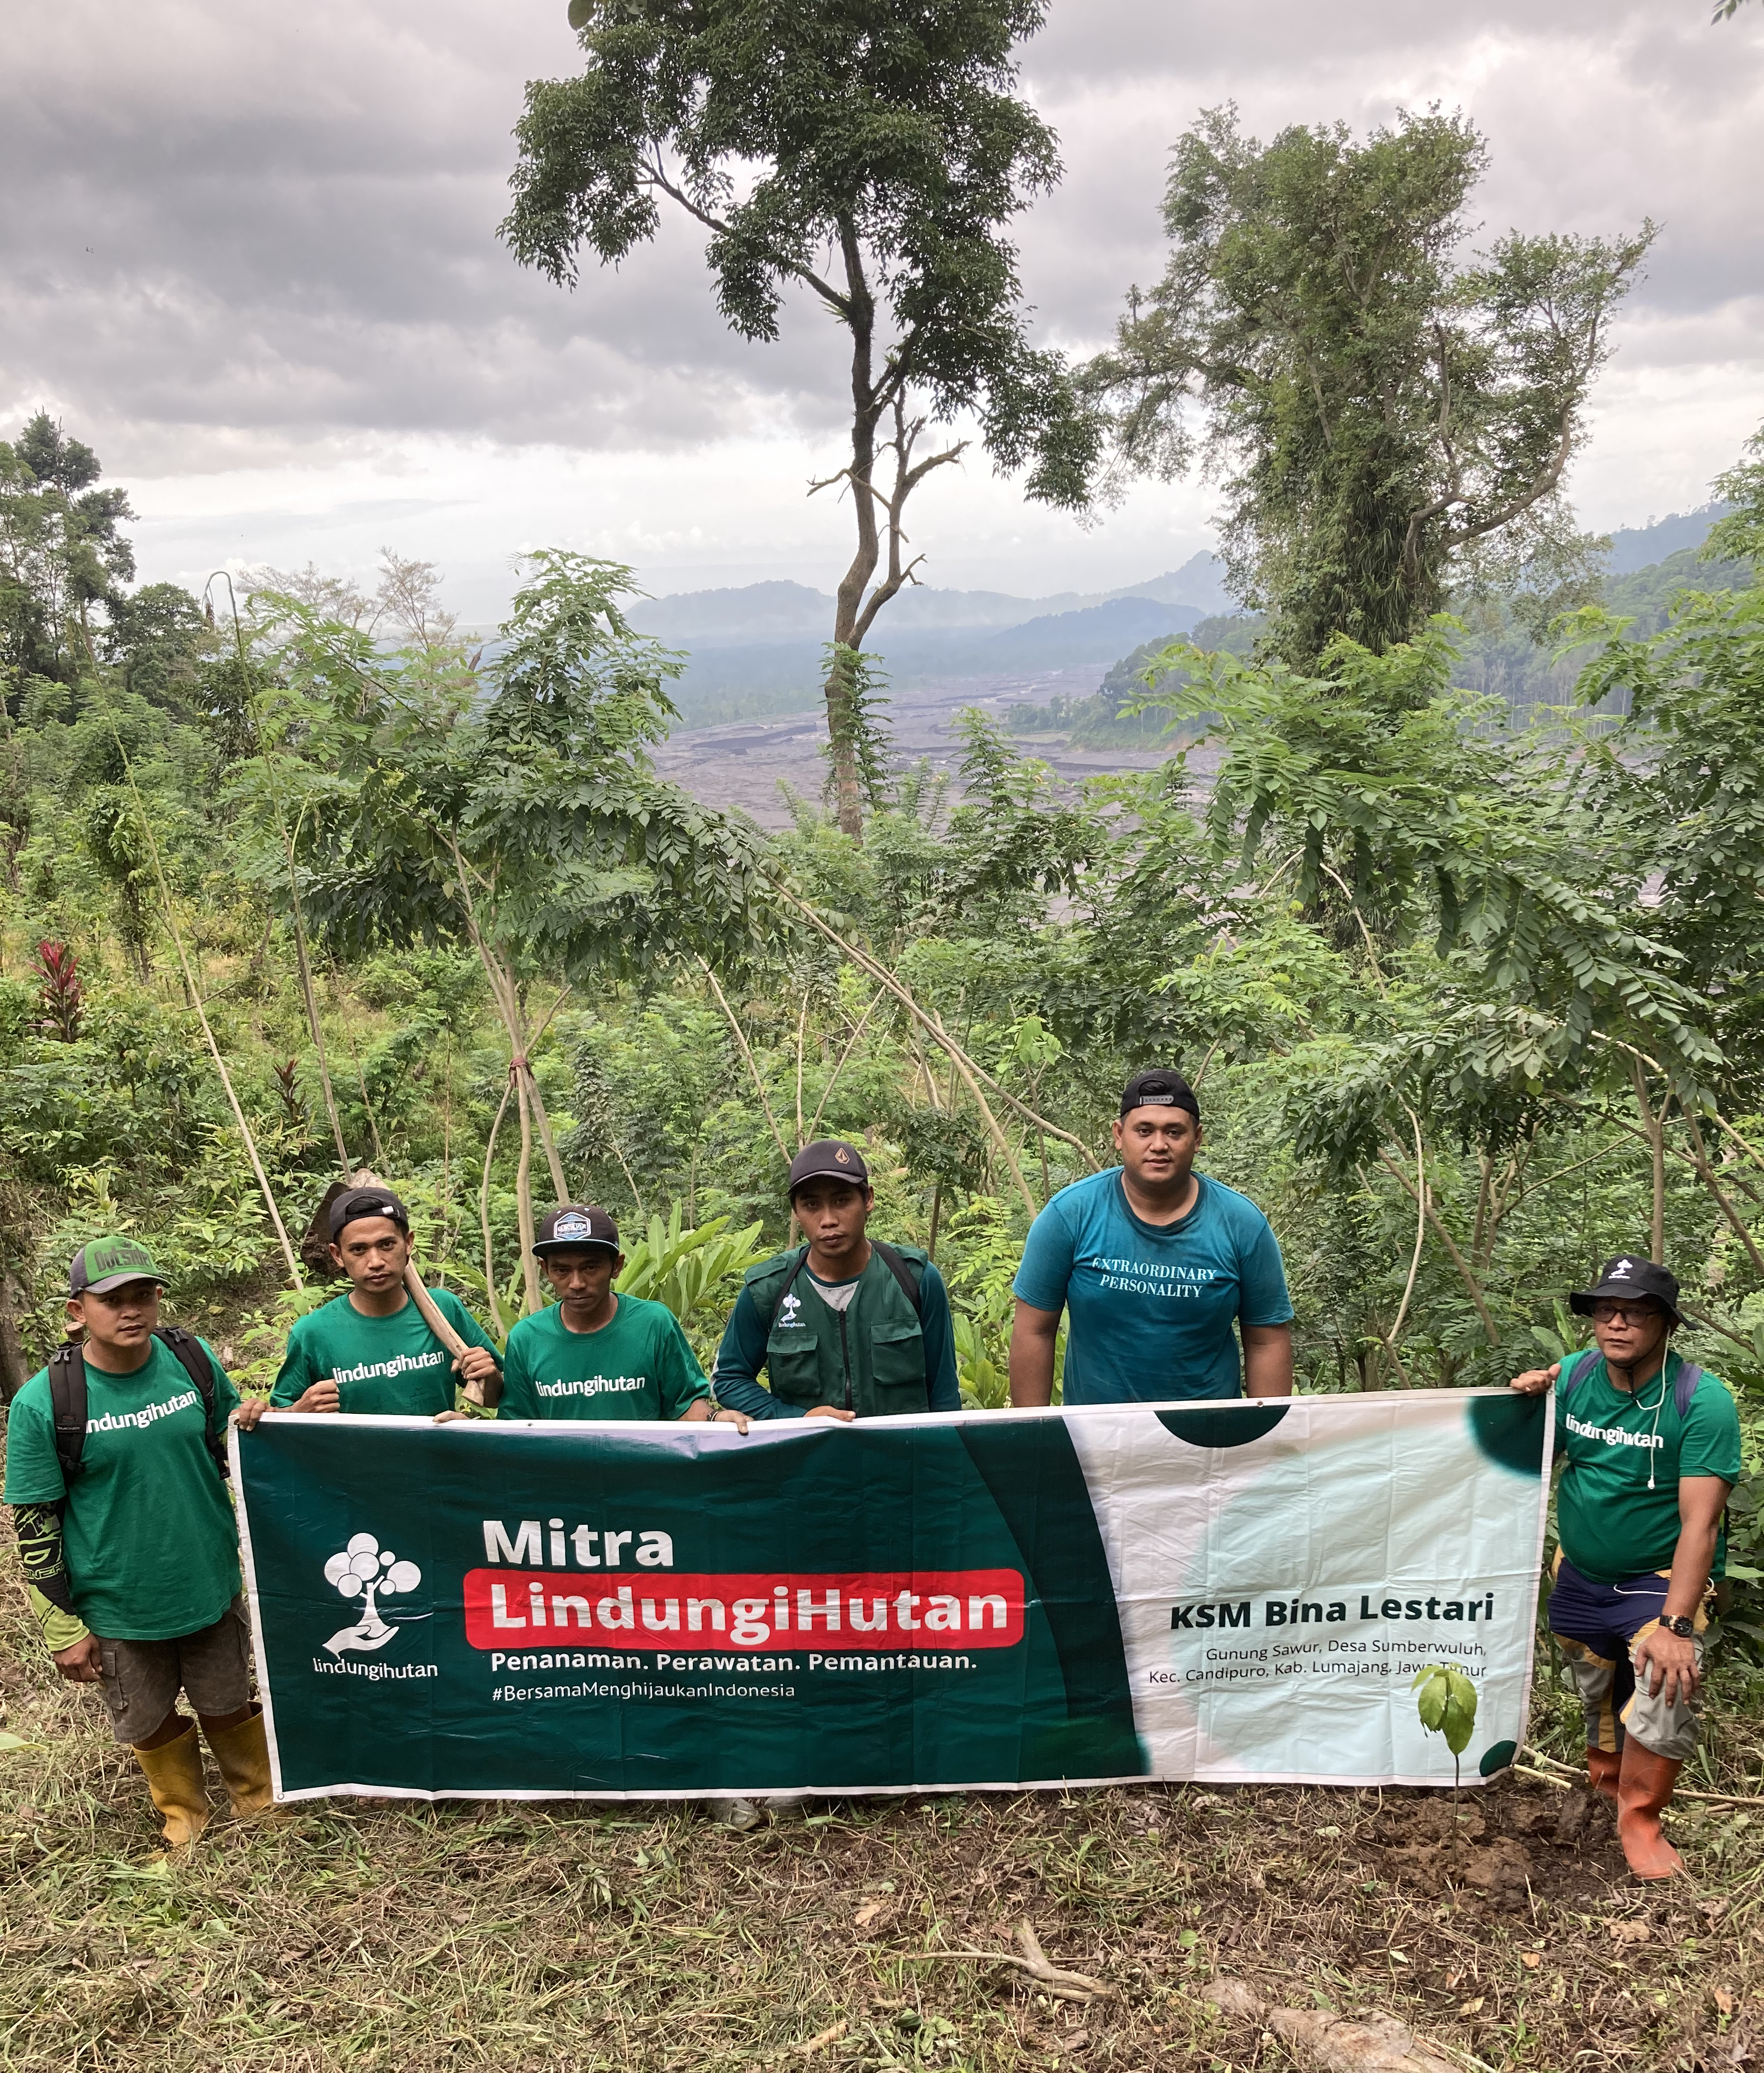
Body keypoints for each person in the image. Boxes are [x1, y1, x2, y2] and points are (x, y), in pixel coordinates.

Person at [3, 1238, 276, 1848]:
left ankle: (256, 1799)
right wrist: (62, 1626)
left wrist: (266, 1415)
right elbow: (35, 1521)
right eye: (113, 1300)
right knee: (148, 1719)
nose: (132, 1310)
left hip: (207, 1580)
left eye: (143, 1295)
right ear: (78, 1310)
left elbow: (234, 1444)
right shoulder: (45, 1401)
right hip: (119, 1601)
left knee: (230, 1700)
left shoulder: (193, 1359)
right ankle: (185, 1817)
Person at [1509, 1255, 1740, 1881]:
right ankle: (1607, 1790)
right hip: (1581, 1575)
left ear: (1666, 1323)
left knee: (1663, 1683)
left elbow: (1701, 1523)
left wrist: (1678, 1624)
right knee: (1600, 1690)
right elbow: (1543, 1451)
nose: (1617, 1323)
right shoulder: (1580, 1374)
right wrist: (1531, 1397)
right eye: (1606, 1310)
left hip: (1657, 1580)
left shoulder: (1702, 1401)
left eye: (1636, 1312)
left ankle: (1641, 1818)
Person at [1009, 1068, 1294, 1406]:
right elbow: (1034, 1331)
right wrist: (1035, 1439)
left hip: (1211, 1442)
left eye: (1174, 1132)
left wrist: (1266, 1439)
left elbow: (1267, 1341)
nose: (1159, 1145)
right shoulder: (1070, 1214)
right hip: (1096, 1439)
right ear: (1119, 1135)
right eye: (1144, 1131)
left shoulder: (1242, 1224)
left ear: (1198, 1138)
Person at [710, 1139, 958, 1420]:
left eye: (842, 1200)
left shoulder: (915, 1279)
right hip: (808, 1459)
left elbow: (944, 1394)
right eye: (812, 1204)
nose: (828, 1220)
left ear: (868, 1199)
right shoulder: (769, 1289)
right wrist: (794, 1419)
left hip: (902, 1459)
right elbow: (730, 1378)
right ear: (796, 1212)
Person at [497, 1204, 747, 1427]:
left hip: (642, 1475)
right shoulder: (527, 1338)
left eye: (590, 1267)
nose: (576, 1283)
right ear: (545, 1270)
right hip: (561, 1478)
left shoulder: (653, 1324)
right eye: (562, 1270)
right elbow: (517, 1426)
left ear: (616, 1266)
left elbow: (684, 1406)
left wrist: (715, 1419)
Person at [261, 1186, 501, 1418]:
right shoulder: (313, 1333)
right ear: (338, 1255)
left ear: (408, 1243)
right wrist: (297, 1412)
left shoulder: (444, 1308)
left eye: (386, 1245)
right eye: (358, 1249)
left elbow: (496, 1398)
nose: (375, 1261)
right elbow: (281, 1419)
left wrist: (489, 1376)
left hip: (438, 1457)